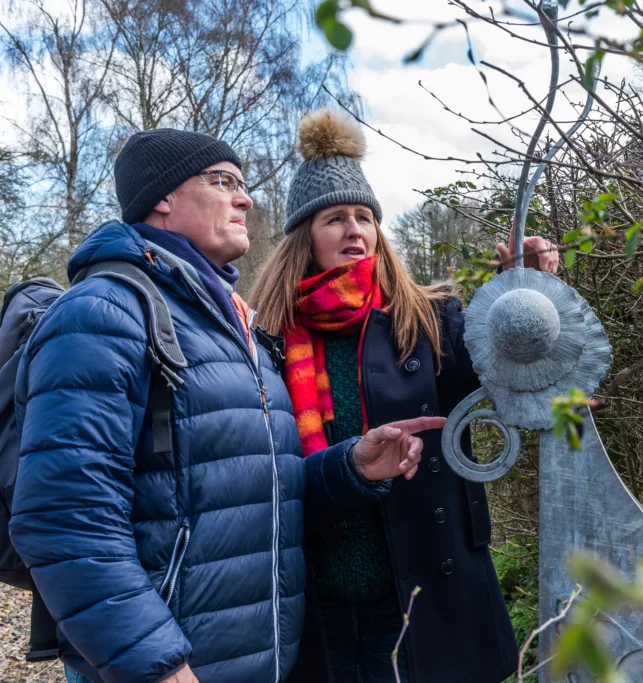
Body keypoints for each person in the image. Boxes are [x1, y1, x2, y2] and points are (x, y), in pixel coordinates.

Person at [9, 129, 435, 683]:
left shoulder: (235, 327)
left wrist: (350, 467)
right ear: (163, 197)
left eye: (243, 185)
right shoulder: (102, 313)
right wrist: (158, 665)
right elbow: (65, 519)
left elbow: (257, 496)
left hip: (250, 659)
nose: (246, 199)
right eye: (224, 182)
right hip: (170, 664)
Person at [249, 109, 558, 683]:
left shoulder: (429, 317)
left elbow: (510, 382)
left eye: (365, 217)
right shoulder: (265, 335)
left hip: (422, 589)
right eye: (335, 218)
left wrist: (523, 293)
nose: (355, 230)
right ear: (304, 237)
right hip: (315, 597)